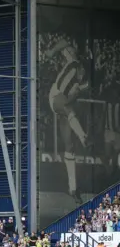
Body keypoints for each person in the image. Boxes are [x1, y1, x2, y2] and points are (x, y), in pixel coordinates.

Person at [46, 39, 90, 204]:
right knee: (67, 107)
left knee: (69, 147)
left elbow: (74, 96)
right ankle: (84, 136)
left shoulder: (83, 80)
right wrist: (51, 51)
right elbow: (64, 42)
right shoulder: (72, 60)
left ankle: (72, 188)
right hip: (55, 96)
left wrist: (72, 96)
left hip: (66, 106)